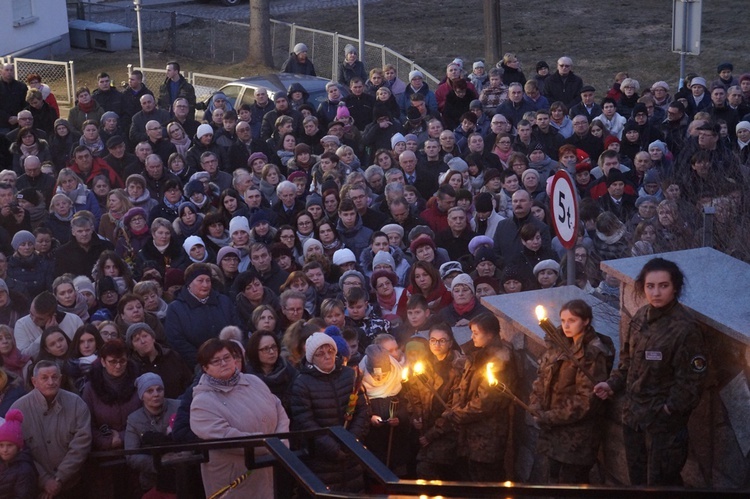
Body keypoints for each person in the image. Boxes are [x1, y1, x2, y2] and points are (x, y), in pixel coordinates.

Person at [594, 258, 707, 486]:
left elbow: (692, 380)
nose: (656, 292)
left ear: (675, 287)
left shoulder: (686, 329)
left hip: (664, 425)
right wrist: (612, 384)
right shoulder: (640, 317)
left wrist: (668, 410)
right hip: (634, 418)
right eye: (650, 286)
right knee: (637, 482)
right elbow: (627, 361)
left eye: (663, 286)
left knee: (663, 483)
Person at [190, 338, 289, 499]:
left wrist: (281, 441)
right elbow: (226, 438)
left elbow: (278, 408)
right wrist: (273, 445)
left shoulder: (253, 381)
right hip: (233, 478)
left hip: (266, 469)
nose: (223, 363)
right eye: (216, 361)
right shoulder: (203, 402)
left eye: (227, 357)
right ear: (205, 368)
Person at [529, 299, 612, 483]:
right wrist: (536, 405)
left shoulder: (592, 353)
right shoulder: (558, 345)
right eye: (563, 320)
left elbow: (585, 401)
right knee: (551, 481)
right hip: (552, 433)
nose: (566, 325)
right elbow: (541, 378)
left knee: (571, 485)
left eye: (572, 320)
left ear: (586, 321)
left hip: (577, 437)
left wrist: (549, 416)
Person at [290, 332, 369, 492]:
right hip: (322, 459)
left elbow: (363, 410)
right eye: (320, 354)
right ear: (312, 358)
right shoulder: (302, 384)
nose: (327, 356)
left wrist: (351, 441)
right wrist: (332, 448)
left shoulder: (349, 374)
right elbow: (305, 422)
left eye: (330, 351)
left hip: (351, 453)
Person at [444, 312, 515, 481]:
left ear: (490, 335)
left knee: (487, 480)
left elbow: (486, 401)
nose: (472, 337)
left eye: (476, 333)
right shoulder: (478, 355)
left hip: (487, 437)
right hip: (473, 435)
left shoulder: (498, 362)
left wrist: (457, 414)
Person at [10, 360, 92, 498]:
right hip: (36, 487)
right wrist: (44, 480)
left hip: (73, 483)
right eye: (44, 378)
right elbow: (19, 451)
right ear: (34, 381)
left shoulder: (76, 403)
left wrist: (59, 478)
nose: (50, 382)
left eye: (54, 377)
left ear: (60, 379)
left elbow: (81, 444)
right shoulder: (18, 409)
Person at [165, 263, 239, 367]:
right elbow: (176, 340)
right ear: (189, 283)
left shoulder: (224, 301)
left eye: (208, 280)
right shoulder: (176, 308)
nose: (205, 285)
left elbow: (237, 326)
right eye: (200, 281)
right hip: (197, 365)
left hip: (230, 361)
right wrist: (203, 361)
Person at [124, 373, 180, 496]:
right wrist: (159, 463)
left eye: (159, 389)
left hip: (182, 477)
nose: (156, 394)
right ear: (141, 395)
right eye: (149, 391)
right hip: (151, 480)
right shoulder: (134, 419)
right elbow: (131, 455)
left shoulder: (178, 407)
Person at [245, 331, 298, 415]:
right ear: (255, 351)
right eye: (266, 349)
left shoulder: (289, 372)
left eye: (274, 347)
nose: (272, 352)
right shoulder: (247, 378)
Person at [0, 407, 38, 498]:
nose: (5, 449)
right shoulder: (2, 463)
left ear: (19, 447)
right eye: (1, 445)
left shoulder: (24, 470)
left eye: (9, 445)